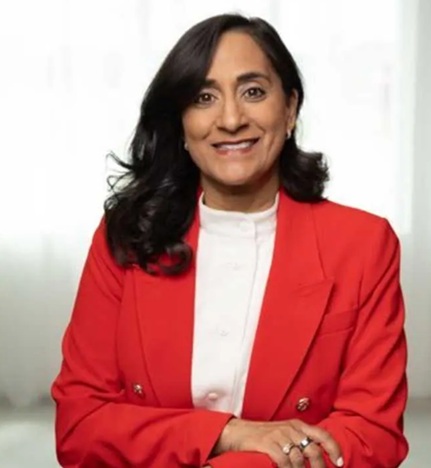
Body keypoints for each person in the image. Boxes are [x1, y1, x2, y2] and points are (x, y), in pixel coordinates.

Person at [51, 13, 408, 468]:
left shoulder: (363, 243)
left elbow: (371, 434)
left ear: (290, 108)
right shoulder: (124, 236)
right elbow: (81, 427)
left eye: (253, 92)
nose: (232, 119)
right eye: (204, 98)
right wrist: (228, 434)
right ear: (180, 122)